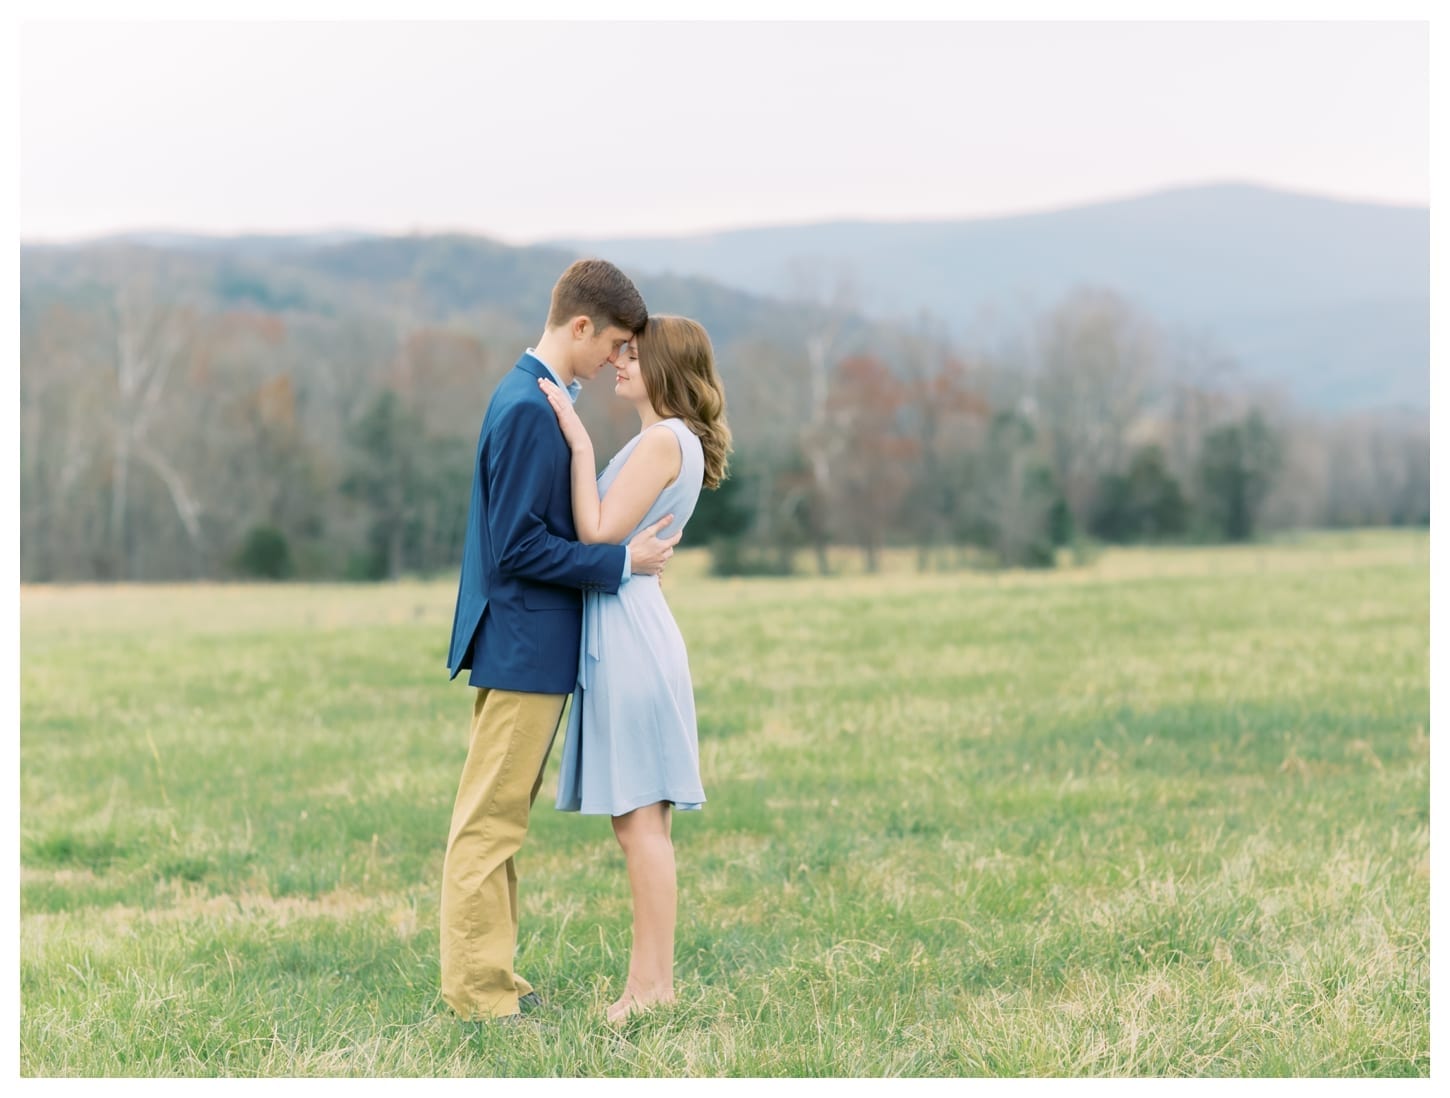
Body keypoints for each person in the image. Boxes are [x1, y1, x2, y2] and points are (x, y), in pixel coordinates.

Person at [441, 259, 682, 1023]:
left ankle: (494, 981)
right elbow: (517, 547)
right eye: (613, 343)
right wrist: (619, 561)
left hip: (533, 648)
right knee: (488, 826)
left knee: (499, 824)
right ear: (580, 326)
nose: (618, 359)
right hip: (524, 647)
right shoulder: (525, 408)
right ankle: (480, 997)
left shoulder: (538, 401)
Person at [536, 314, 732, 1024]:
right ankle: (650, 984)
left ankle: (651, 991)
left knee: (639, 826)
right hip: (634, 627)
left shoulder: (659, 442)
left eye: (632, 354)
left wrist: (580, 442)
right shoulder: (669, 440)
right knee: (642, 824)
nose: (619, 361)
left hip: (632, 636)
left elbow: (596, 533)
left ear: (665, 366)